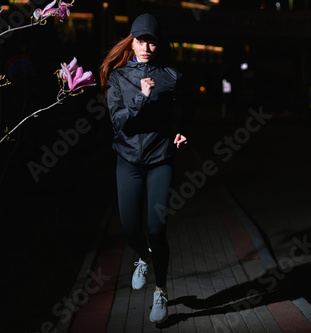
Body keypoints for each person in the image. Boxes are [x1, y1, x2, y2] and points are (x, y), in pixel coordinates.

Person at [99, 13, 192, 323]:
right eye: (141, 40)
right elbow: (118, 122)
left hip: (160, 159)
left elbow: (189, 106)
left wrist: (182, 128)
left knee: (156, 229)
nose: (146, 46)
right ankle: (141, 257)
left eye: (151, 40)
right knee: (129, 228)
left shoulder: (171, 76)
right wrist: (142, 96)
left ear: (158, 43)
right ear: (132, 41)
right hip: (127, 160)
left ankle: (161, 292)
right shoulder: (118, 76)